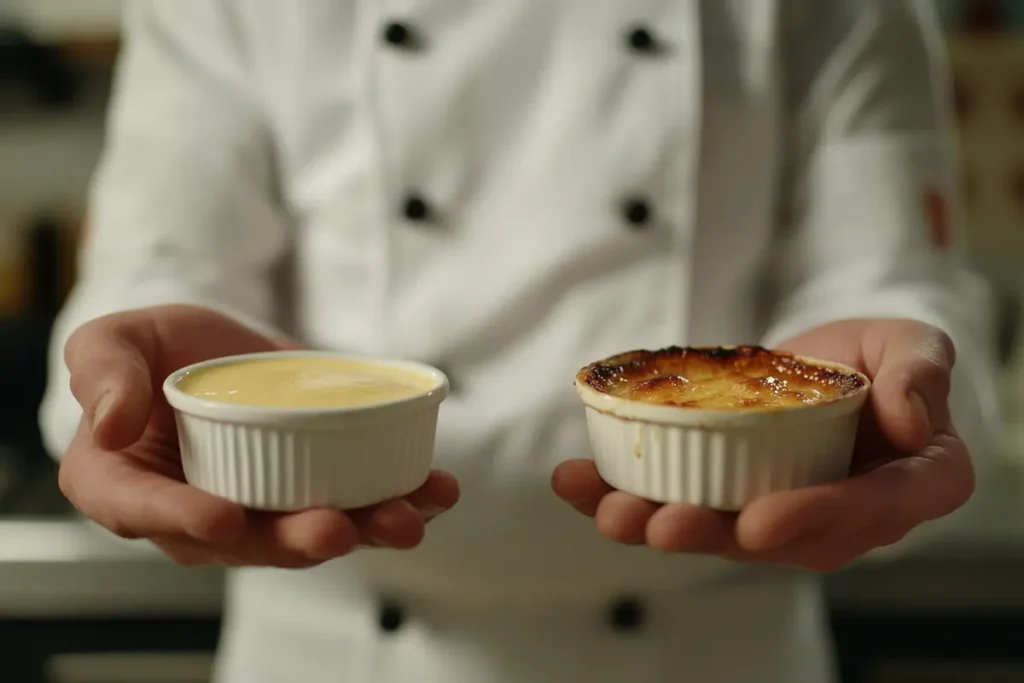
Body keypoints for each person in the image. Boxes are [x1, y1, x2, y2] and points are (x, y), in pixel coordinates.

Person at [40, 2, 1001, 682]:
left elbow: (891, 273)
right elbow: (160, 271)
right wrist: (127, 374)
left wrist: (899, 383)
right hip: (335, 651)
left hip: (711, 650)